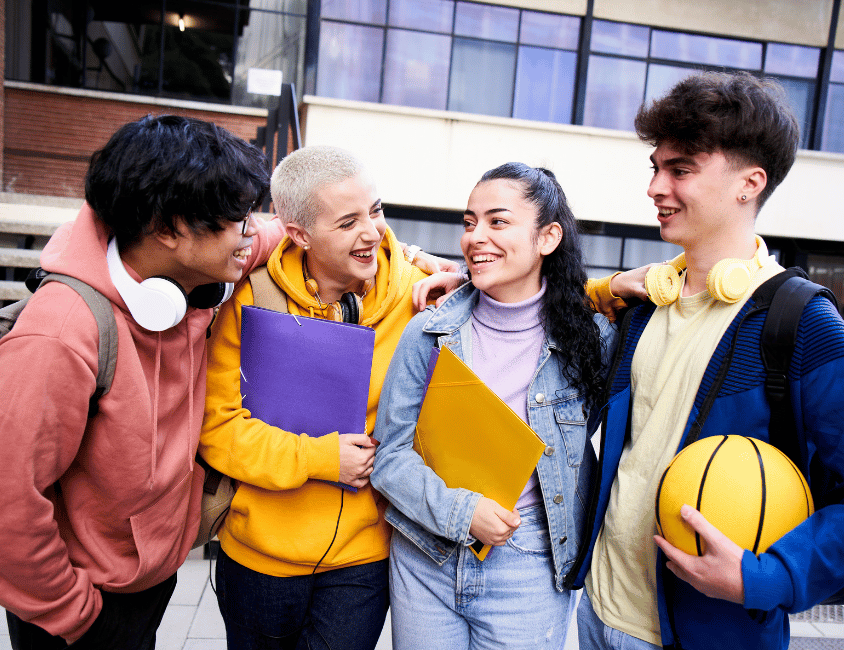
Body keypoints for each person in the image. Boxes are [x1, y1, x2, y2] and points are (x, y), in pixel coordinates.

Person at [567, 71, 844, 650]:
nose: (655, 187)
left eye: (681, 169)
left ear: (750, 183)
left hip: (712, 634)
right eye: (655, 166)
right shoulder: (646, 300)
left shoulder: (803, 326)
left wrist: (767, 578)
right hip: (596, 613)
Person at [0, 115, 287, 648]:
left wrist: (409, 261)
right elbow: (7, 499)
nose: (252, 232)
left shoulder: (192, 276)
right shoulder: (61, 334)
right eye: (236, 220)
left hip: (149, 579)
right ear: (167, 228)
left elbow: (279, 233)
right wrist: (73, 612)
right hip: (79, 607)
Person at [199, 145, 461, 650]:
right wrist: (318, 458)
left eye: (376, 211)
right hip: (258, 559)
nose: (373, 232)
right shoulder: (253, 299)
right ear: (298, 233)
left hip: (362, 564)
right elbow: (218, 428)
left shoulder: (424, 293)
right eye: (348, 222)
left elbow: (523, 295)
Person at [370, 162, 619, 650]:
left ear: (548, 237)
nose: (475, 236)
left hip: (530, 565)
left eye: (497, 221)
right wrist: (463, 512)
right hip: (426, 558)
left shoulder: (594, 341)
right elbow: (389, 456)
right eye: (469, 223)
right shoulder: (430, 331)